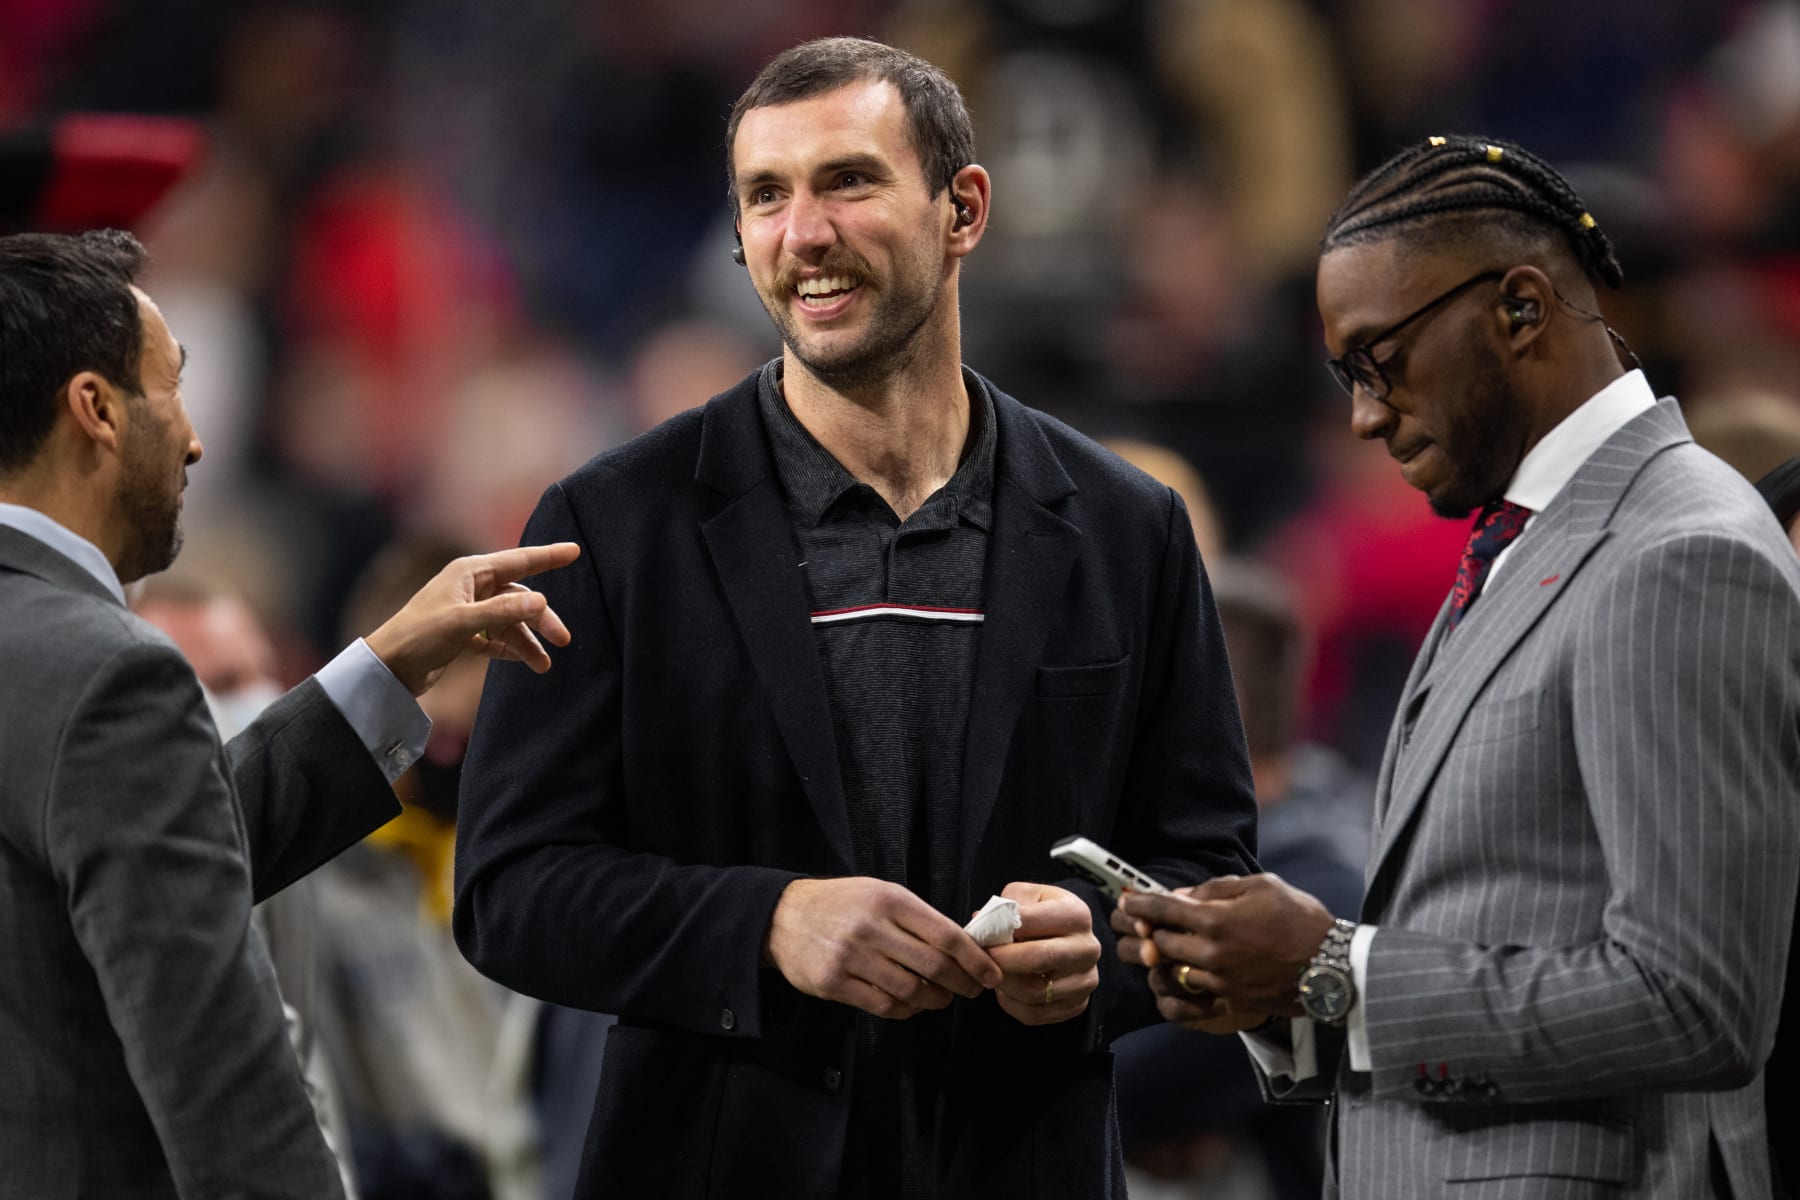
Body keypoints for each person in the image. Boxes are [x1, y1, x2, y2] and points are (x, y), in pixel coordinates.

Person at [454, 36, 1257, 1199]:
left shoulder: (1130, 528)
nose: (803, 235)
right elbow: (510, 890)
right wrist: (766, 923)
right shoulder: (613, 525)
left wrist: (1103, 950)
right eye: (765, 197)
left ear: (964, 208)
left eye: (848, 181)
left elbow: (1208, 868)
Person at [1115, 135, 1800, 1199]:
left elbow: (1695, 1000)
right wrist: (1281, 994)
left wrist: (1338, 971)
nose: (1364, 415)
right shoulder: (1529, 539)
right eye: (1346, 376)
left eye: (1381, 360)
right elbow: (1486, 936)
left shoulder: (1680, 551)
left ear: (1521, 311)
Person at [0, 227, 579, 1200]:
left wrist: (385, 666)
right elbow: (224, 1086)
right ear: (95, 410)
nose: (193, 436)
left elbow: (153, 855)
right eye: (170, 384)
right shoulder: (112, 676)